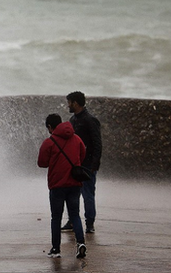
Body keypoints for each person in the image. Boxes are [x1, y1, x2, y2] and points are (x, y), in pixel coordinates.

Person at [37, 114, 87, 260]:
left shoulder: (49, 142)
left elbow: (41, 163)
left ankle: (56, 249)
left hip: (57, 185)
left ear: (50, 127)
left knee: (56, 217)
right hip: (74, 183)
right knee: (75, 214)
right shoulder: (76, 138)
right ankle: (81, 243)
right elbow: (82, 155)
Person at [63, 91, 102, 234]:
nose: (68, 105)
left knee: (88, 194)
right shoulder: (72, 120)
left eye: (69, 102)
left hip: (87, 165)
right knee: (72, 194)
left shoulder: (90, 120)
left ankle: (90, 223)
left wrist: (94, 165)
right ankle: (72, 221)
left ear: (76, 103)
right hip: (75, 164)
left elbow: (97, 144)